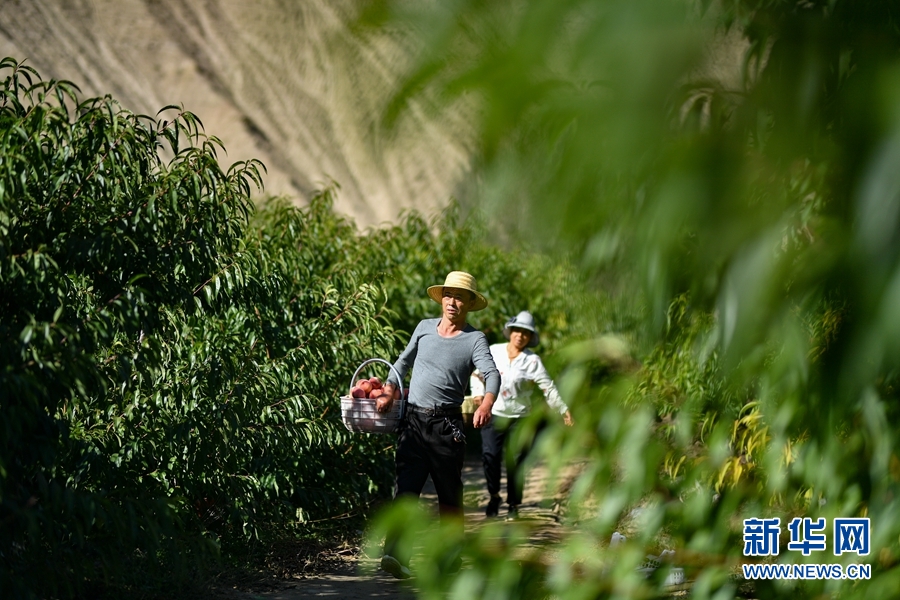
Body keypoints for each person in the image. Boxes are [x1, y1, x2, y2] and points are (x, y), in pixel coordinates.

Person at [376, 271, 500, 579]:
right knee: (405, 491)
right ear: (441, 299)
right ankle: (395, 555)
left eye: (459, 297)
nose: (452, 302)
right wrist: (389, 390)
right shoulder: (424, 328)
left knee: (449, 496)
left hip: (446, 427)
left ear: (469, 303)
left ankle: (449, 558)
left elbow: (492, 374)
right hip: (413, 422)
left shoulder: (474, 339)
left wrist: (486, 403)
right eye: (448, 295)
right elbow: (402, 362)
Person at [470, 310, 573, 520]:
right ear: (510, 331)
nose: (520, 335)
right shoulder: (494, 351)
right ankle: (494, 496)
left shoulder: (532, 361)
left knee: (516, 461)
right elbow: (476, 374)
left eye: (526, 333)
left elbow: (548, 388)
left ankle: (513, 504)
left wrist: (563, 410)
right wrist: (478, 394)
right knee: (490, 457)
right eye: (517, 330)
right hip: (494, 413)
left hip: (520, 417)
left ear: (530, 337)